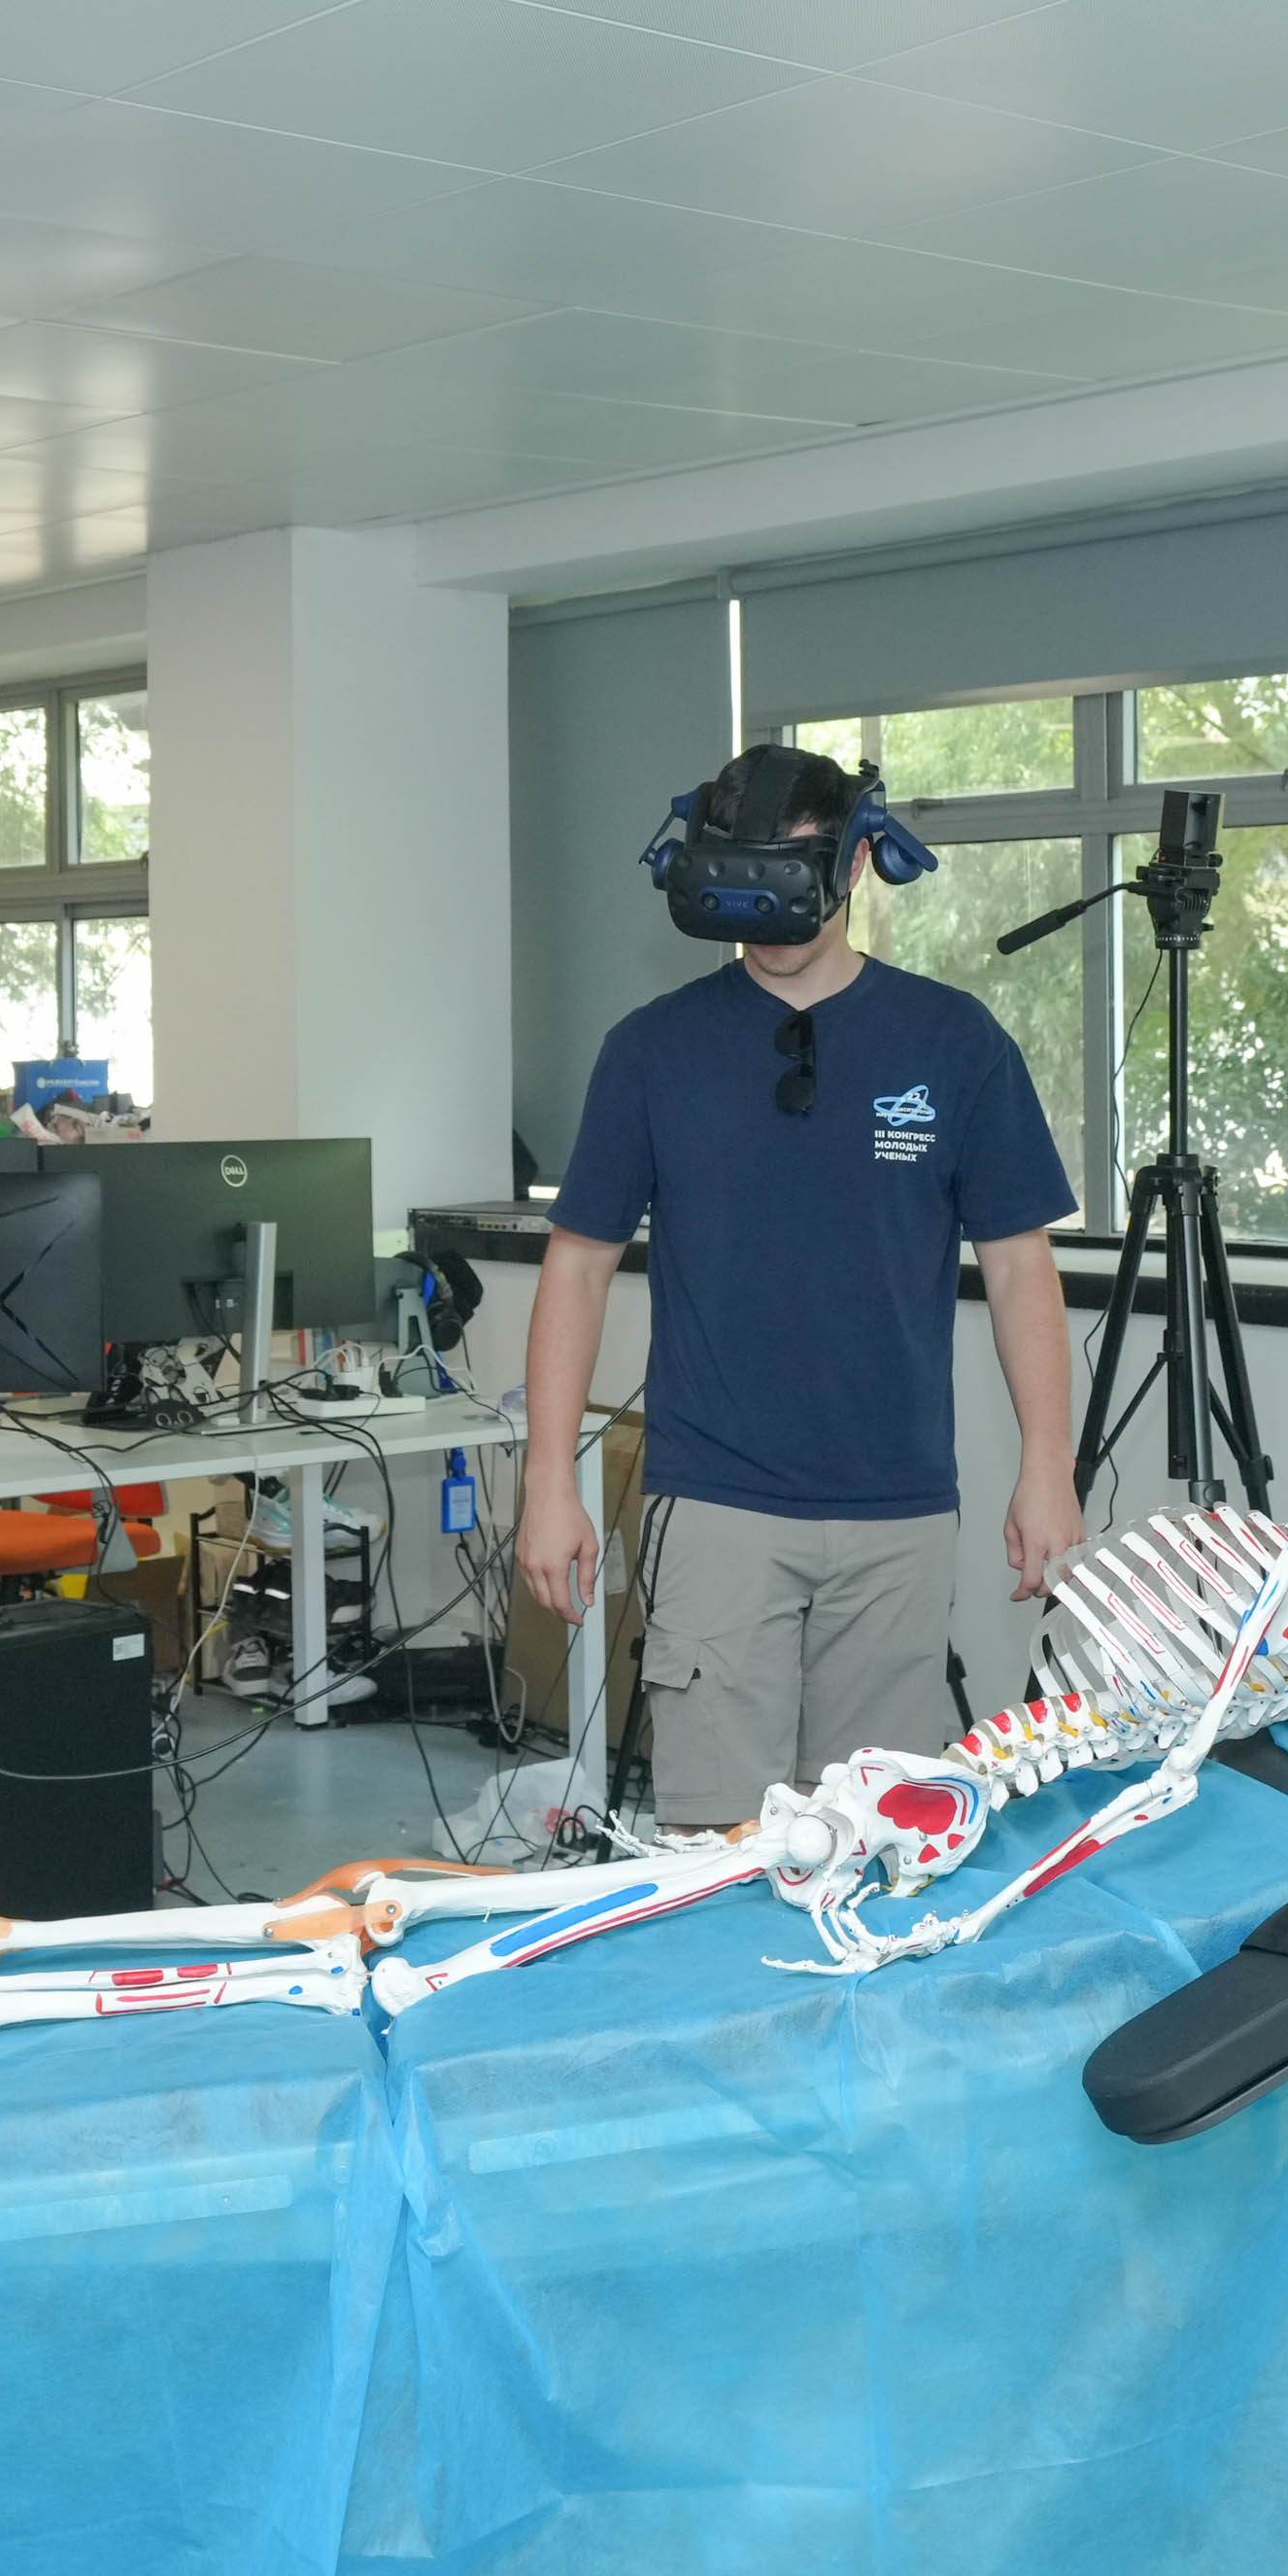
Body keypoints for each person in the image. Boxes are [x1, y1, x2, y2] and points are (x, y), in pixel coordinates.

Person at [516, 744, 1081, 1834]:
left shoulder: (952, 1041)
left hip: (897, 1507)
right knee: (718, 1848)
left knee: (878, 1840)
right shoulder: (652, 1050)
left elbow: (1020, 1267)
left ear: (857, 862)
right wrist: (549, 1483)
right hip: (716, 1502)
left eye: (789, 866)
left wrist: (1046, 1467)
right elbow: (576, 1265)